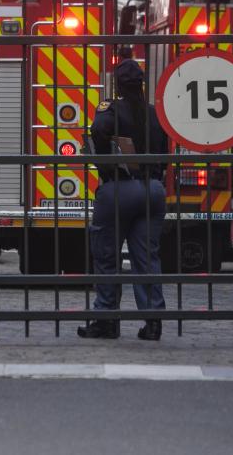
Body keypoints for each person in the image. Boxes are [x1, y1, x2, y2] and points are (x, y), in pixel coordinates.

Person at [78, 57, 168, 341]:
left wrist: (105, 154)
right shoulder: (154, 113)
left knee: (106, 255)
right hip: (153, 188)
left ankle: (106, 320)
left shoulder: (111, 108)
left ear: (117, 85)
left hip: (120, 188)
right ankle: (153, 322)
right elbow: (165, 150)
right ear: (141, 84)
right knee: (147, 258)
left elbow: (97, 130)